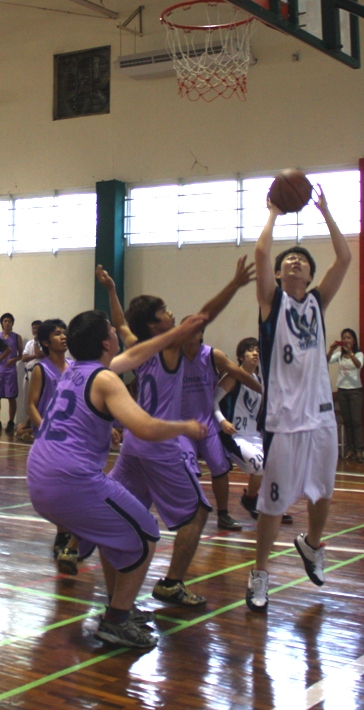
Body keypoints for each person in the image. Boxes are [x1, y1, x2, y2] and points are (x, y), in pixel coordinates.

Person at [27, 309, 208, 649]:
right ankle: (116, 621)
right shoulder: (106, 378)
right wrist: (185, 427)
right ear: (107, 342)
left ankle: (116, 605)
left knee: (117, 534)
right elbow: (145, 427)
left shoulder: (71, 371)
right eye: (112, 331)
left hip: (39, 476)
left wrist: (176, 332)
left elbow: (137, 355)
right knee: (146, 533)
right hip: (71, 480)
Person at [96, 256, 255, 607]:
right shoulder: (169, 344)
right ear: (156, 325)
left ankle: (115, 596)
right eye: (165, 311)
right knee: (197, 513)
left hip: (134, 446)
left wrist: (111, 289)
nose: (171, 314)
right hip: (161, 445)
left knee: (120, 515)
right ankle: (170, 583)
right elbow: (203, 317)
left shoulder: (138, 346)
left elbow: (121, 322)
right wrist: (234, 284)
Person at [246, 186, 351, 612]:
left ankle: (311, 544)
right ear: (281, 274)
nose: (295, 262)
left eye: (302, 261)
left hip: (321, 417)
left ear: (309, 276)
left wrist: (326, 213)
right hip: (284, 420)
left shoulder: (317, 304)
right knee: (272, 503)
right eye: (289, 259)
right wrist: (273, 212)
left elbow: (344, 259)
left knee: (323, 492)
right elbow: (259, 254)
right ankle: (260, 574)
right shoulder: (272, 305)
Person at [180, 326, 262, 531]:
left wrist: (264, 391)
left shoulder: (212, 355)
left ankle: (224, 515)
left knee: (220, 469)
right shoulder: (172, 355)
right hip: (182, 424)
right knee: (189, 471)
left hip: (207, 421)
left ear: (200, 334)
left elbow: (237, 372)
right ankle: (190, 513)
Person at [214, 336, 292, 525]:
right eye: (250, 350)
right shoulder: (233, 376)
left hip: (254, 434)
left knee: (275, 465)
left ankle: (259, 503)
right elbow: (213, 401)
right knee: (259, 464)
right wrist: (223, 421)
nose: (255, 352)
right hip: (234, 435)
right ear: (241, 356)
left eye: (257, 349)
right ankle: (251, 500)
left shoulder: (260, 380)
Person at [27, 319, 73, 559]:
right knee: (60, 490)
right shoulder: (40, 369)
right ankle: (64, 533)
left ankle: (72, 534)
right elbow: (31, 404)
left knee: (74, 488)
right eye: (57, 334)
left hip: (75, 438)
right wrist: (44, 429)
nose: (63, 336)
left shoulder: (75, 367)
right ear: (45, 342)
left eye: (64, 333)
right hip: (51, 440)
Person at [327, 328, 364, 462]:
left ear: (354, 341)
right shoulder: (339, 355)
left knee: (356, 422)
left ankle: (359, 451)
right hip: (342, 390)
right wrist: (331, 349)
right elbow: (326, 360)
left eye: (349, 338)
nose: (346, 340)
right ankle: (351, 449)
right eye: (344, 337)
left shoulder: (359, 354)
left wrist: (350, 353)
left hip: (355, 390)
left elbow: (359, 365)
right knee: (347, 422)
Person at [0, 313, 23, 434]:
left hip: (10, 371)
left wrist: (14, 359)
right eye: (5, 321)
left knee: (11, 397)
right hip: (0, 370)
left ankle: (10, 422)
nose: (7, 323)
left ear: (12, 323)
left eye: (9, 321)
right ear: (2, 323)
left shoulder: (16, 337)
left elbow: (21, 355)